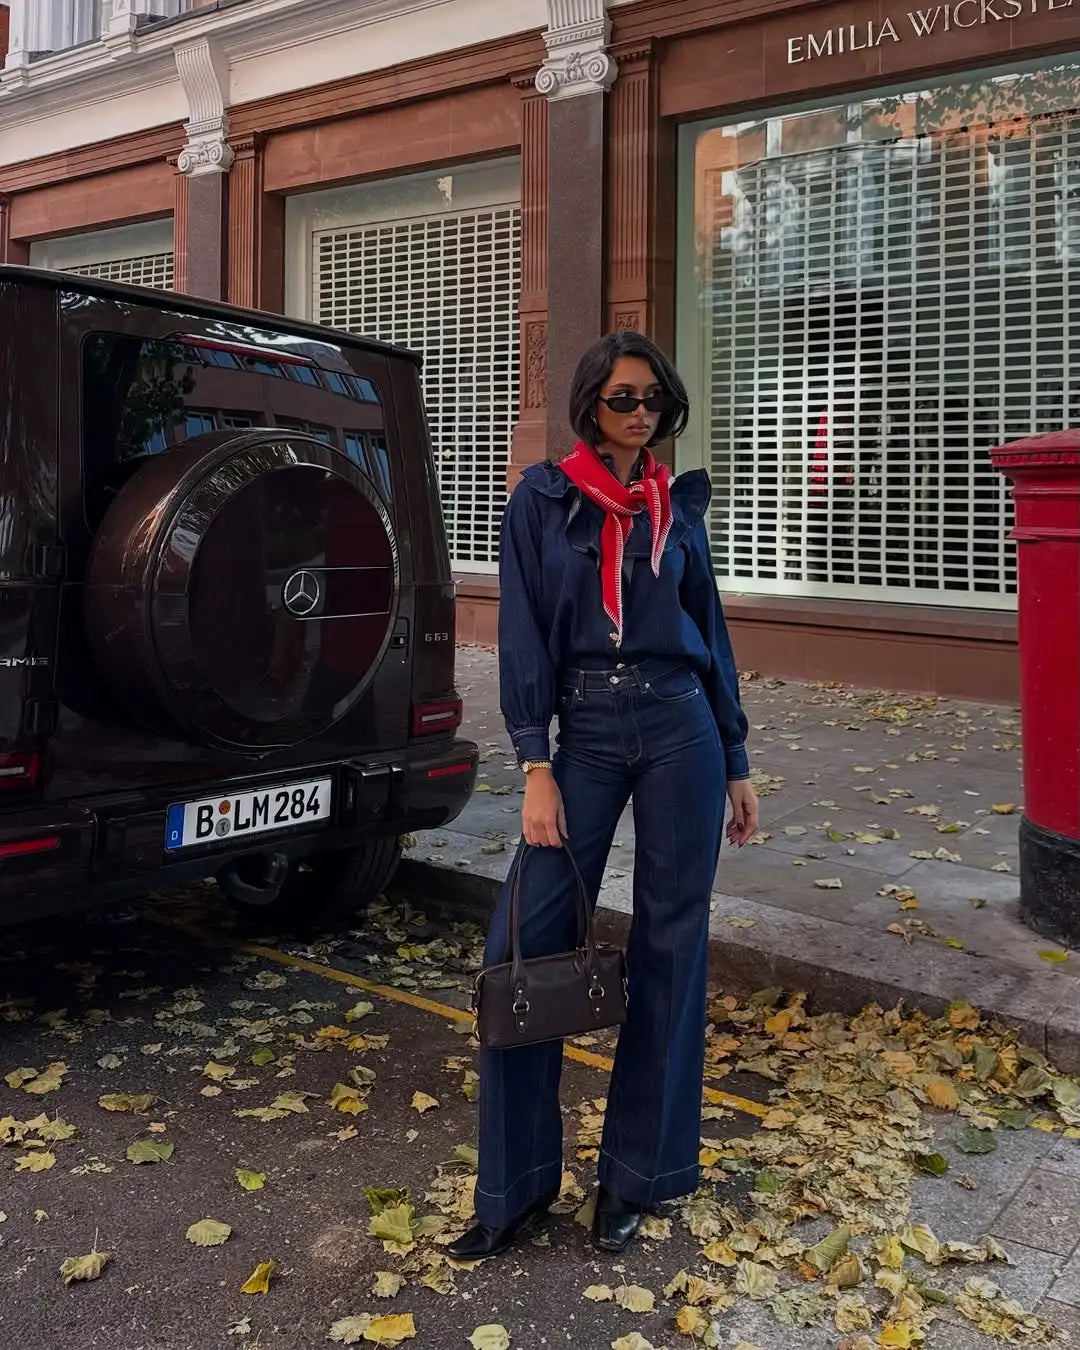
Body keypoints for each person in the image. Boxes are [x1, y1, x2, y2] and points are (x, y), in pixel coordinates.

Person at [449, 331, 759, 1262]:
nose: (641, 414)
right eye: (624, 399)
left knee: (671, 946)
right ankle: (513, 1189)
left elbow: (710, 630)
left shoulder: (677, 507)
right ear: (590, 404)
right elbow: (522, 636)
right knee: (524, 937)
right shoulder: (543, 501)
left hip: (680, 728)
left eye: (655, 400)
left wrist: (736, 760)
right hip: (580, 732)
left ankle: (636, 1177)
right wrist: (533, 762)